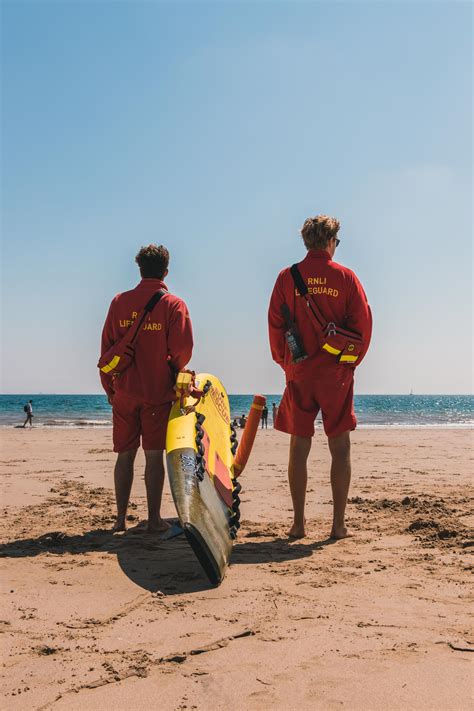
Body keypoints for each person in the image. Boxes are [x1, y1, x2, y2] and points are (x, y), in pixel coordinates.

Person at [268, 215, 372, 540]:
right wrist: (349, 364)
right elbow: (363, 329)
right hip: (335, 374)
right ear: (330, 241)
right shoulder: (346, 278)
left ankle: (298, 524)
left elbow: (275, 325)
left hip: (299, 371)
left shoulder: (287, 277)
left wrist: (285, 363)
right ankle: (338, 525)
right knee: (339, 447)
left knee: (299, 445)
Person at [100, 244, 193, 533]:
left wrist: (110, 390)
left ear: (139, 269)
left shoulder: (119, 302)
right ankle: (153, 520)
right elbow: (182, 350)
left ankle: (119, 520)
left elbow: (107, 350)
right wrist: (174, 374)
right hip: (157, 392)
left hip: (125, 392)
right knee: (154, 456)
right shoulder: (173, 304)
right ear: (166, 271)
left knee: (124, 455)